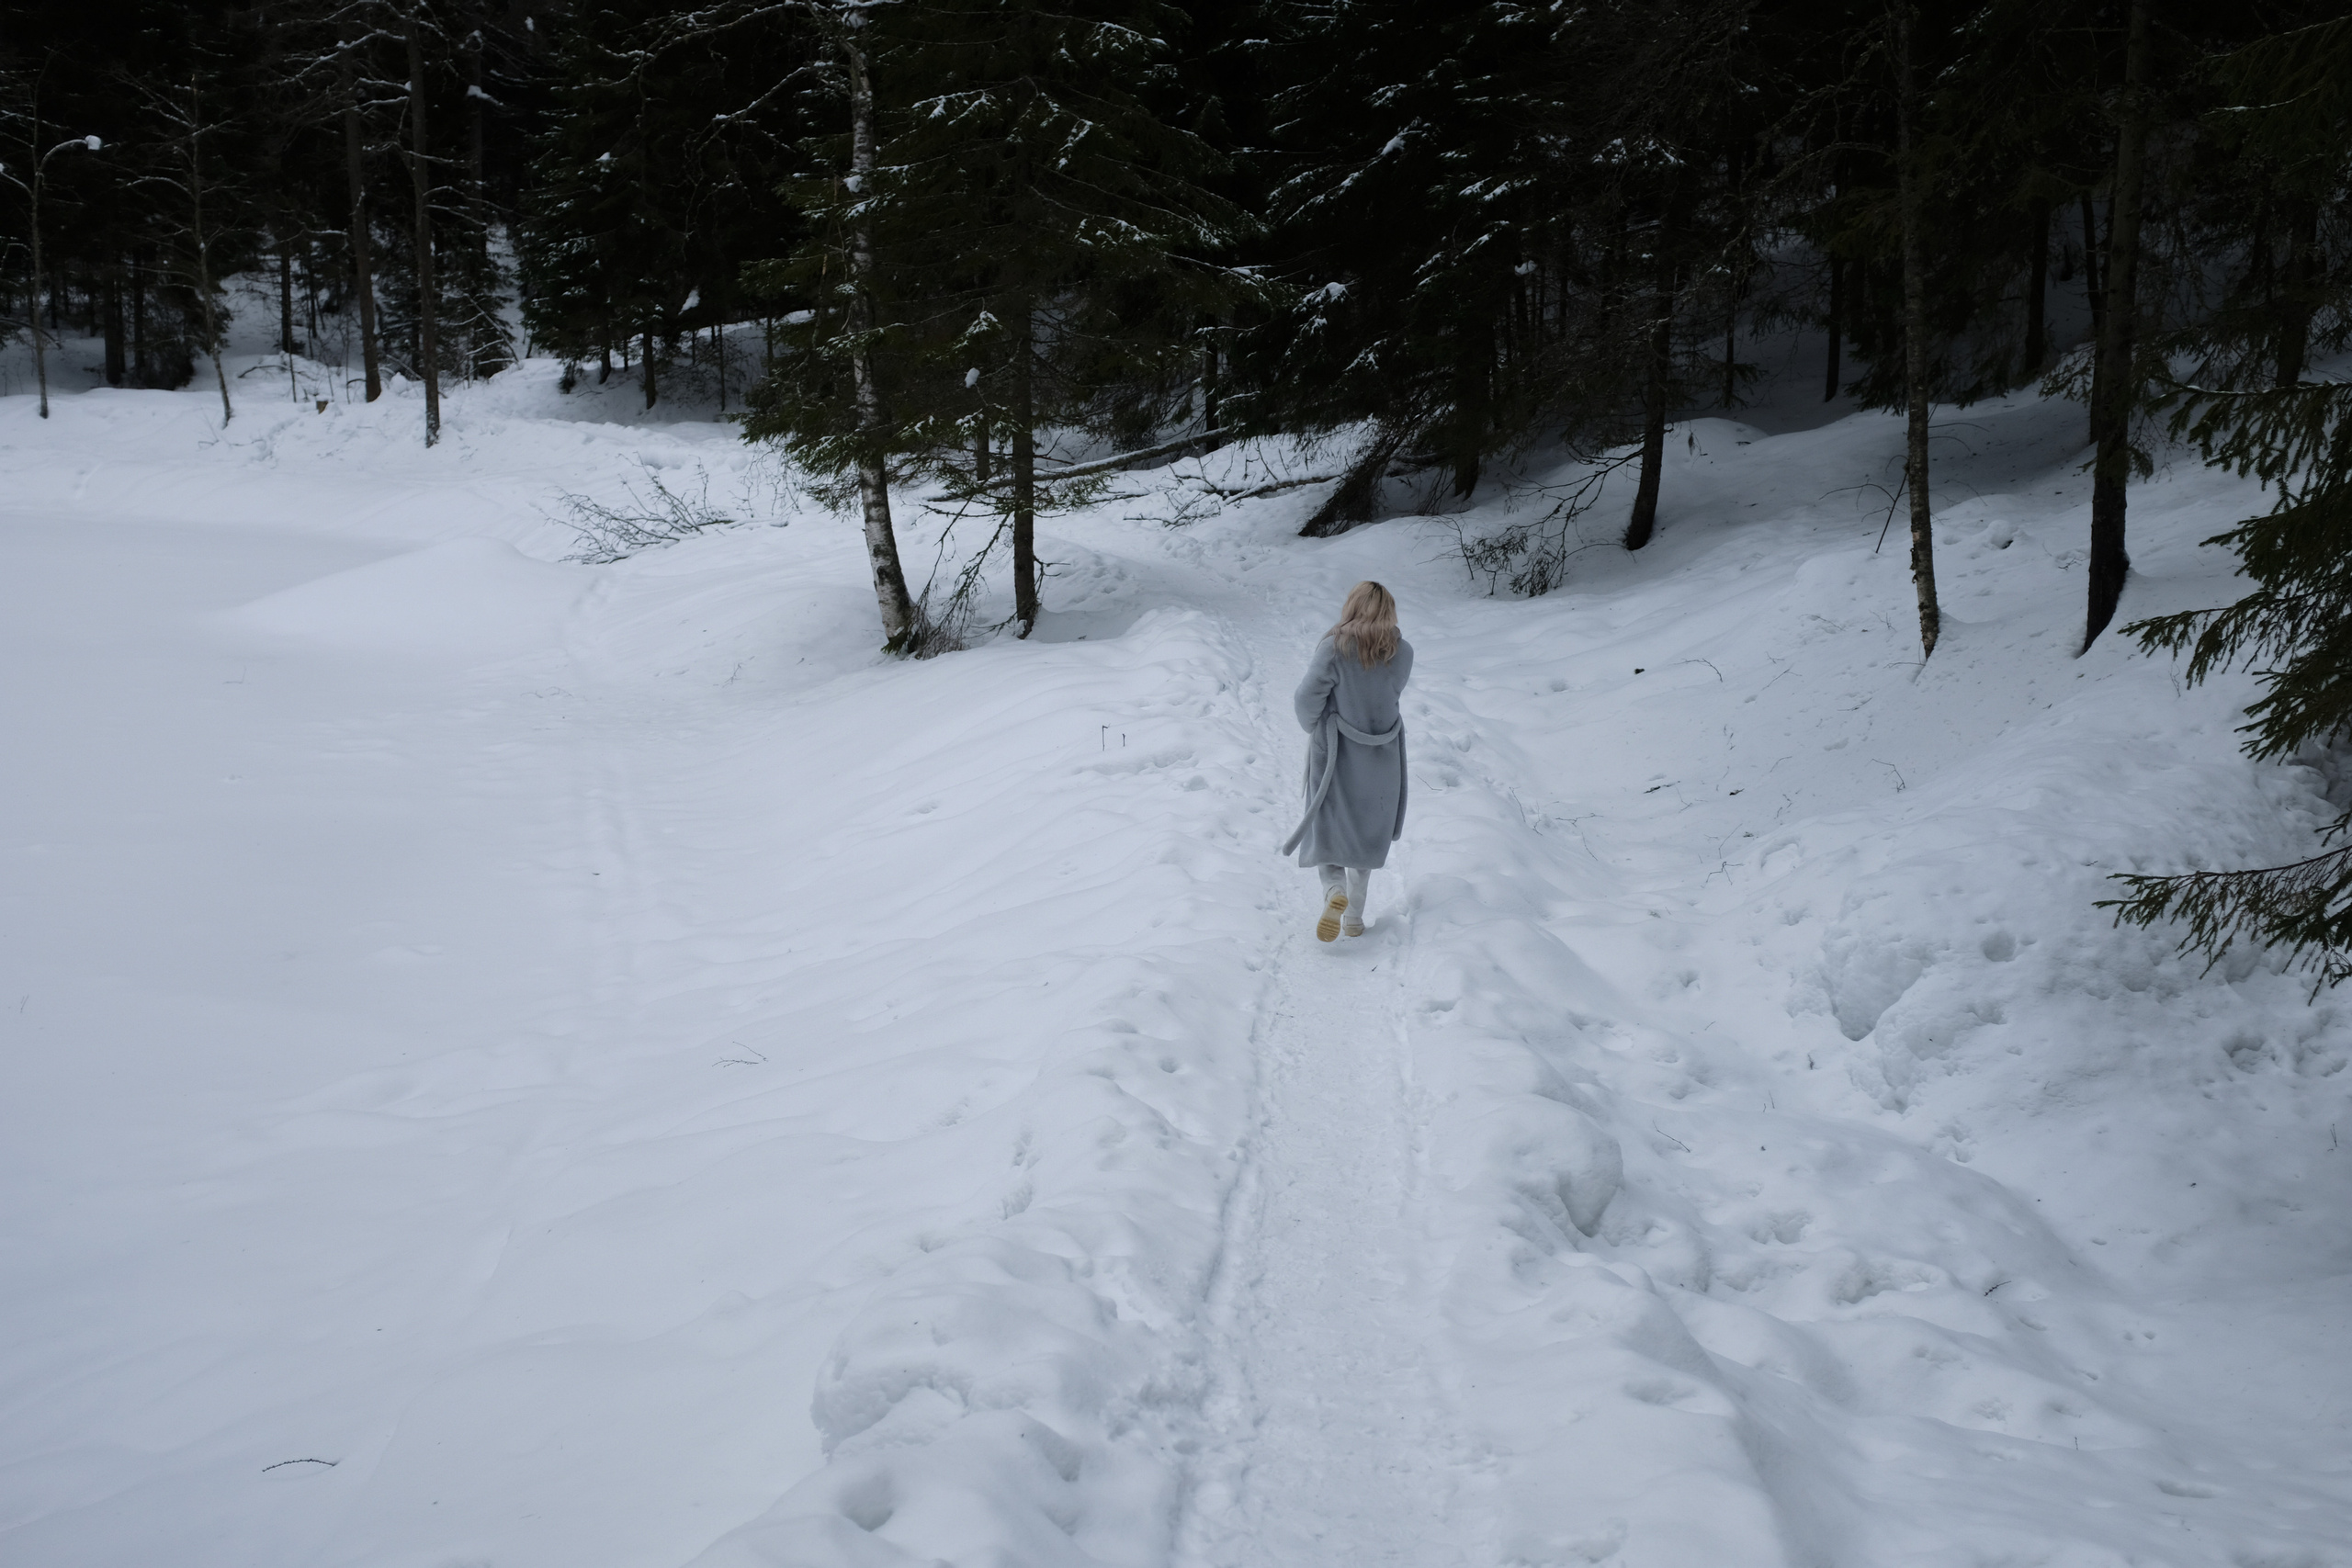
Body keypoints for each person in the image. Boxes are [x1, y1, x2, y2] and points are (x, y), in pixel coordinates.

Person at [1283, 581, 1413, 942]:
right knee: (1366, 833)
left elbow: (1306, 699)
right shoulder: (1403, 653)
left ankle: (1333, 892)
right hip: (1382, 757)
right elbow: (1390, 693)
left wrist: (1316, 727)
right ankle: (1354, 917)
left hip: (1337, 753)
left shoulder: (1334, 649)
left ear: (1352, 606)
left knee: (1328, 824)